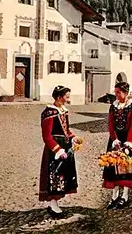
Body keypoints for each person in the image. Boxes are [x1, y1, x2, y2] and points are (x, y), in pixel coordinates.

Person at [39, 85, 79, 217]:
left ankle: (55, 203)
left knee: (63, 175)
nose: (68, 99)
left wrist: (73, 138)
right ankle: (52, 204)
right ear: (59, 97)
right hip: (55, 149)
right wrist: (58, 150)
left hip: (65, 147)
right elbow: (47, 136)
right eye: (66, 97)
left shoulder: (63, 111)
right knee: (55, 176)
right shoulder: (49, 113)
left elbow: (66, 130)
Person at [102, 82, 132, 209]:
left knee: (125, 168)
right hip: (116, 140)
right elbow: (111, 124)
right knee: (113, 167)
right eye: (116, 92)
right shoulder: (113, 106)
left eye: (118, 92)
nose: (116, 95)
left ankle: (124, 195)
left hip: (127, 140)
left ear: (126, 92)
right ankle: (114, 196)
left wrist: (129, 142)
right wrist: (114, 139)